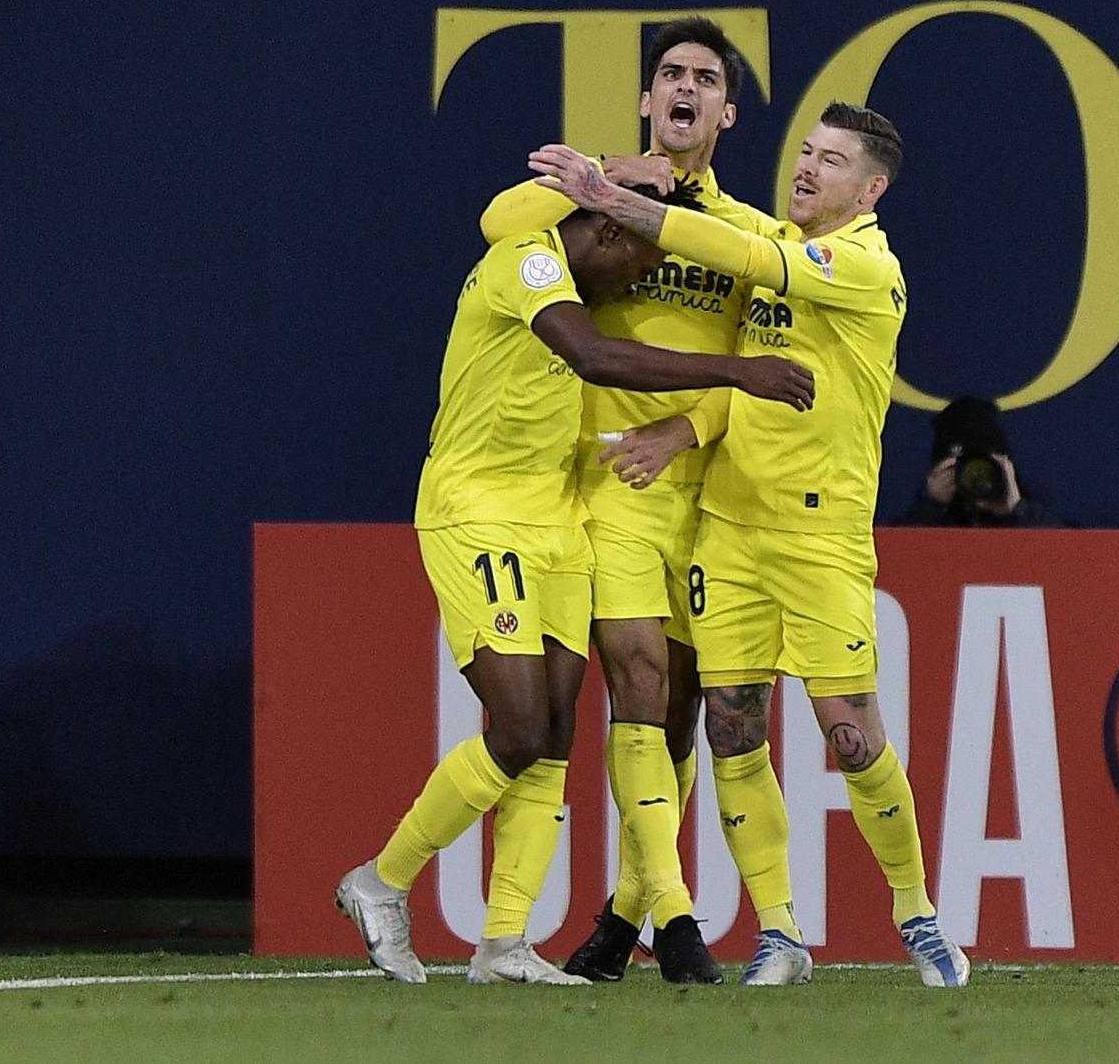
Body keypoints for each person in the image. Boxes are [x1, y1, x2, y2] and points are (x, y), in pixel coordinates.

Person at [528, 102, 972, 988]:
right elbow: (743, 369)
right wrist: (686, 434)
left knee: (851, 737)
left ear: (871, 187)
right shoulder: (776, 248)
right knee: (732, 729)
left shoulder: (862, 266)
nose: (808, 167)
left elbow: (744, 252)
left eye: (832, 161)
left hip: (820, 537)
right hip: (729, 529)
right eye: (805, 152)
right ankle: (781, 932)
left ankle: (918, 914)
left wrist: (612, 197)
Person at [335, 206, 814, 987]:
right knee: (518, 727)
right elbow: (591, 356)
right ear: (606, 236)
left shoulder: (581, 272)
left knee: (555, 727)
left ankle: (503, 940)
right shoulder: (528, 260)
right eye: (636, 267)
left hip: (556, 516)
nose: (636, 284)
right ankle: (381, 881)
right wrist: (735, 371)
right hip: (478, 511)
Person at [477, 16, 779, 984]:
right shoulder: (590, 196)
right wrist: (600, 178)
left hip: (705, 491)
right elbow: (494, 224)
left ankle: (620, 917)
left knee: (680, 709)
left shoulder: (747, 235)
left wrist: (683, 431)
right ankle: (682, 923)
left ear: (725, 111)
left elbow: (760, 371)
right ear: (649, 100)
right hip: (609, 480)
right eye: (668, 74)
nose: (684, 87)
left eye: (703, 77)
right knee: (639, 679)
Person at [894, 395, 1065, 527]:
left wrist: (1016, 510)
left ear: (1005, 468)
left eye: (985, 467)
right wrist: (931, 507)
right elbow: (893, 559)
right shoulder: (923, 519)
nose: (975, 477)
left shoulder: (1039, 521)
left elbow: (1067, 558)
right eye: (961, 467)